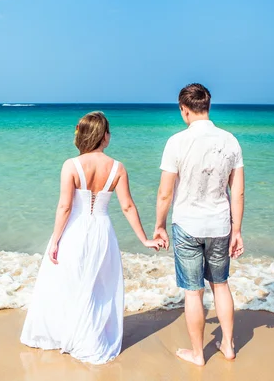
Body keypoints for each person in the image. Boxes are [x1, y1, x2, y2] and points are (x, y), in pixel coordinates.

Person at [20, 111, 164, 364]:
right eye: (109, 132)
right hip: (102, 230)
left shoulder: (71, 165)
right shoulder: (117, 167)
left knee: (70, 283)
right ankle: (91, 338)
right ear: (104, 137)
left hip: (75, 230)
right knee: (98, 287)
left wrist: (55, 239)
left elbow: (64, 207)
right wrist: (144, 239)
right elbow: (128, 206)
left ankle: (68, 334)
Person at [153, 83, 245, 366]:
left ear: (184, 109)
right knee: (221, 285)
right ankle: (228, 346)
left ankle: (198, 354)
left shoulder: (176, 142)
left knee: (193, 291)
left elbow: (165, 192)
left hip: (187, 225)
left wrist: (159, 225)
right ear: (207, 106)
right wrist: (237, 230)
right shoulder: (230, 141)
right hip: (220, 225)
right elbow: (238, 191)